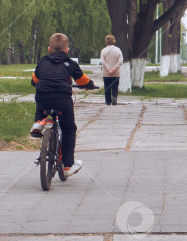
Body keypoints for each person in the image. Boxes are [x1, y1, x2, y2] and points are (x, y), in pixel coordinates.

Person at [29, 33, 95, 177]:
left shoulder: (43, 62)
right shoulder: (70, 63)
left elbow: (34, 80)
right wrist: (90, 85)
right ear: (67, 50)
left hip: (43, 97)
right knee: (69, 128)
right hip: (62, 99)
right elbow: (82, 80)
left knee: (41, 100)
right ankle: (67, 166)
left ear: (49, 49)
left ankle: (39, 122)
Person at [100, 34, 123, 105]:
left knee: (107, 87)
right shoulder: (118, 50)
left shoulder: (103, 50)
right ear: (114, 41)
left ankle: (108, 101)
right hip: (116, 73)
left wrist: (108, 69)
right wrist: (114, 68)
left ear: (106, 41)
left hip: (106, 73)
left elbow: (102, 61)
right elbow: (121, 60)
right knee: (115, 86)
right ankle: (114, 97)